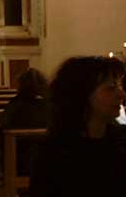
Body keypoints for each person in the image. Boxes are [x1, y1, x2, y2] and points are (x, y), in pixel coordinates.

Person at [30, 56, 126, 196]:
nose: (122, 94)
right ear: (81, 95)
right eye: (110, 88)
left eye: (120, 86)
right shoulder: (55, 151)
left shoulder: (122, 140)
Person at [0, 68, 49, 180]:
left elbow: (0, 135)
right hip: (46, 162)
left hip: (18, 163)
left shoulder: (16, 105)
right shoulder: (51, 106)